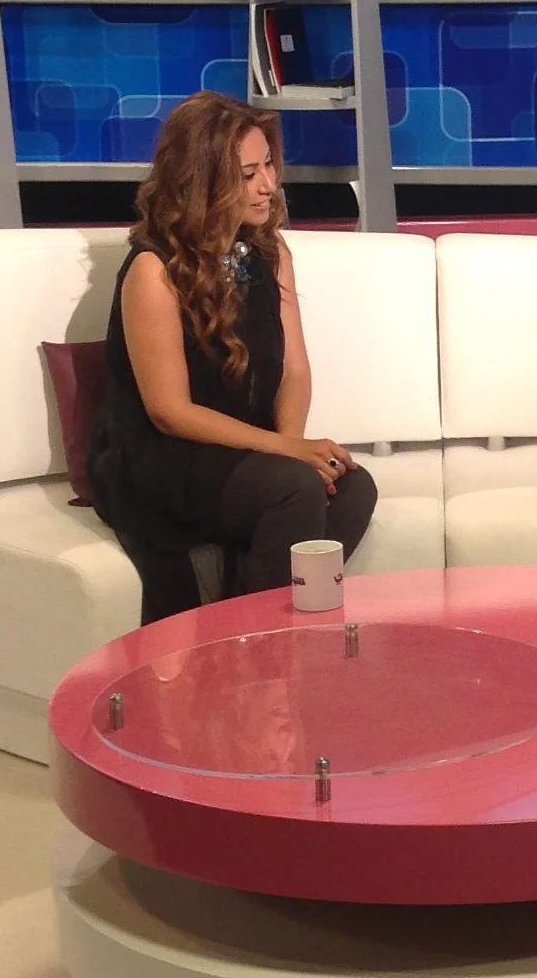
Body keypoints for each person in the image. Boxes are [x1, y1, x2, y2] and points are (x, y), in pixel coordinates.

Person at [87, 92, 377, 625]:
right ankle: (260, 642)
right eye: (247, 174)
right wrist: (288, 454)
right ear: (203, 181)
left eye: (268, 165)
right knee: (295, 488)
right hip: (165, 461)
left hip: (244, 448)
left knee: (352, 486)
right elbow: (168, 412)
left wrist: (295, 449)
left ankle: (254, 616)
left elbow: (294, 369)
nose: (268, 184)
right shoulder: (153, 271)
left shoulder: (271, 251)